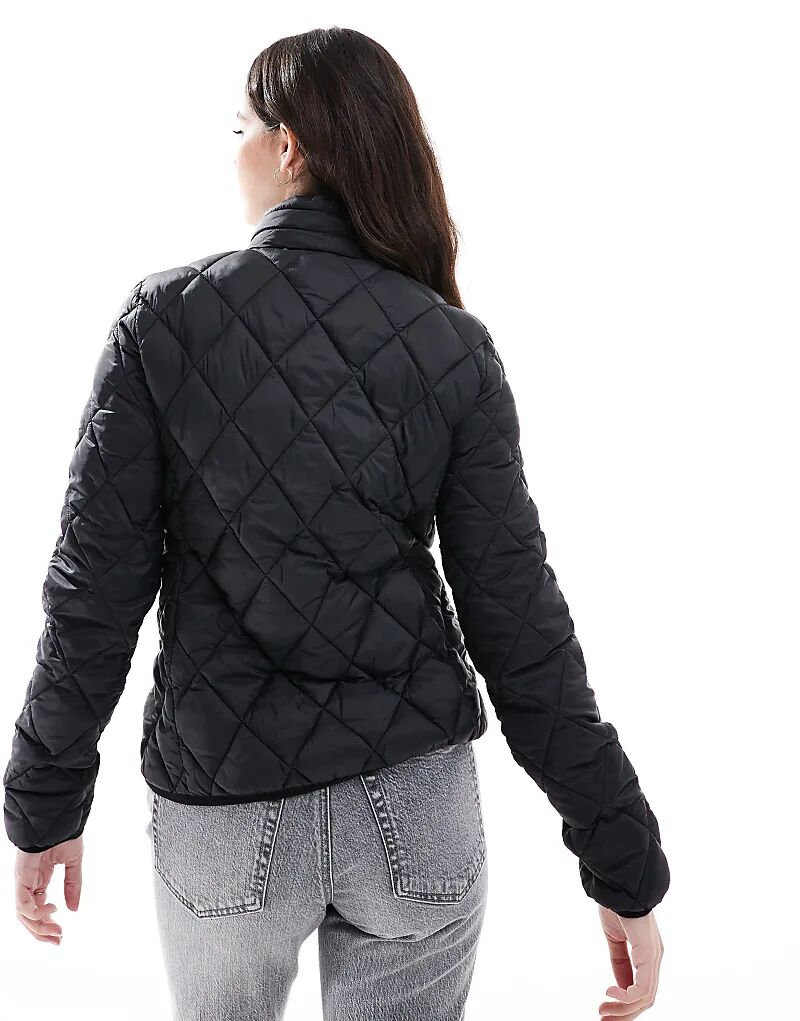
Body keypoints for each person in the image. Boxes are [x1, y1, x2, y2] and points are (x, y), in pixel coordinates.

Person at [2, 25, 669, 1021]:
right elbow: (519, 623)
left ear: (289, 147)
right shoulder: (450, 345)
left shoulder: (165, 320)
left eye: (240, 126)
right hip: (413, 812)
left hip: (224, 811)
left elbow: (92, 593)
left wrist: (44, 799)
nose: (233, 149)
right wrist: (622, 863)